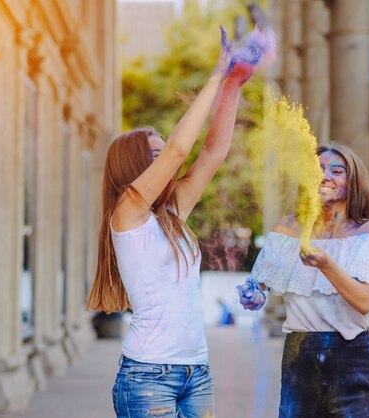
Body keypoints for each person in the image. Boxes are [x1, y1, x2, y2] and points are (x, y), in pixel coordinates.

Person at [87, 27, 263, 418]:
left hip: (196, 371)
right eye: (154, 154)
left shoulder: (171, 213)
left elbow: (214, 151)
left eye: (163, 151)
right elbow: (184, 148)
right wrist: (217, 73)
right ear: (131, 166)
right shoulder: (127, 211)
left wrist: (233, 85)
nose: (166, 158)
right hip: (149, 375)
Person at [238, 144, 369, 418]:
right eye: (317, 169)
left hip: (352, 355)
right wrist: (253, 296)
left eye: (337, 170)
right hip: (300, 355)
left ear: (353, 180)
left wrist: (326, 265)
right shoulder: (286, 229)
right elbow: (259, 287)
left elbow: (364, 301)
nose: (325, 176)